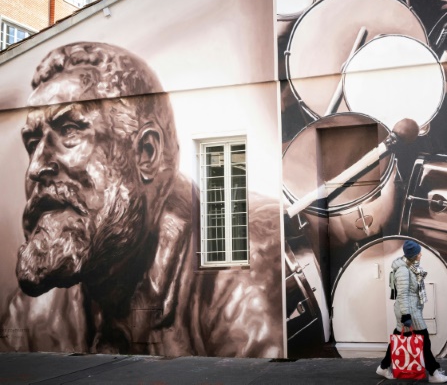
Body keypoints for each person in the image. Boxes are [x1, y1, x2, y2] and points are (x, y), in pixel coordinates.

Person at [0, 42, 283, 357]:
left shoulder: (242, 255)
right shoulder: (36, 308)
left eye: (69, 130)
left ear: (146, 153)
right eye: (33, 142)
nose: (36, 167)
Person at [376, 240, 447, 383]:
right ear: (413, 255)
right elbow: (402, 295)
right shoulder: (404, 270)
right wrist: (406, 315)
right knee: (424, 341)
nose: (421, 254)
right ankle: (434, 373)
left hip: (410, 309)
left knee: (399, 337)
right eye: (418, 252)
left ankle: (383, 367)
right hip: (409, 310)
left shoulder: (411, 267)